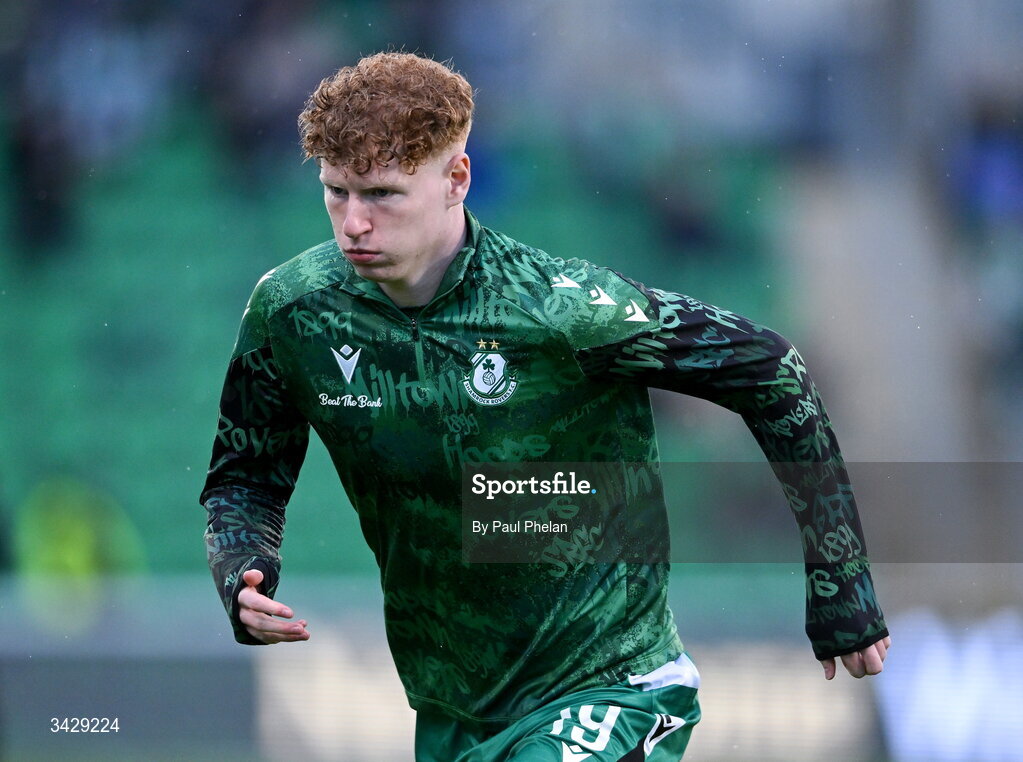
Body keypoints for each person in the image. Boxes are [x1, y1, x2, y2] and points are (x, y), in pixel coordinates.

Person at [201, 51, 891, 761]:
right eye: (335, 192)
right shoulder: (293, 311)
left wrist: (840, 580)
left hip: (610, 688)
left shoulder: (561, 309)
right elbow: (243, 477)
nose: (353, 224)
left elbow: (772, 371)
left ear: (456, 179)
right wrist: (243, 569)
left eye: (380, 194)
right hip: (451, 714)